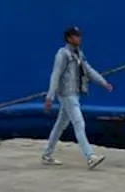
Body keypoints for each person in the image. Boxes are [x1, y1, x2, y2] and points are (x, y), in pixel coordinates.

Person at [41, 26, 113, 168]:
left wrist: (103, 82)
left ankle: (47, 154)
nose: (79, 38)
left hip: (75, 94)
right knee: (79, 124)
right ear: (69, 38)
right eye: (76, 36)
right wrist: (50, 96)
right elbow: (55, 75)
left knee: (60, 125)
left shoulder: (78, 54)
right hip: (67, 95)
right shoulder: (63, 54)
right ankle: (90, 156)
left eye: (79, 35)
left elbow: (89, 70)